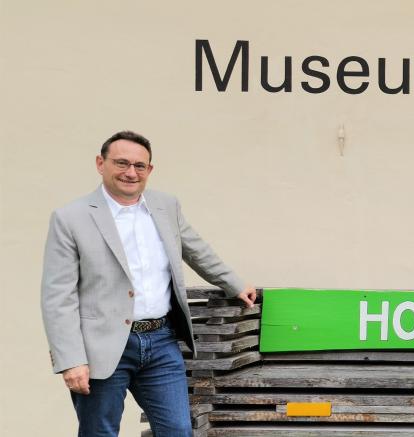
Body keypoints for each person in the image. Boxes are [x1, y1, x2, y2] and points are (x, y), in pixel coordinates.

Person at [41, 130, 257, 436]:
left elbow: (196, 249)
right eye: (122, 163)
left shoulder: (166, 206)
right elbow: (57, 296)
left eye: (139, 165)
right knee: (99, 431)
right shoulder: (70, 218)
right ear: (100, 163)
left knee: (177, 430)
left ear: (149, 170)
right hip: (101, 347)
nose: (131, 172)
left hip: (160, 341)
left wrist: (233, 283)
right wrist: (71, 360)